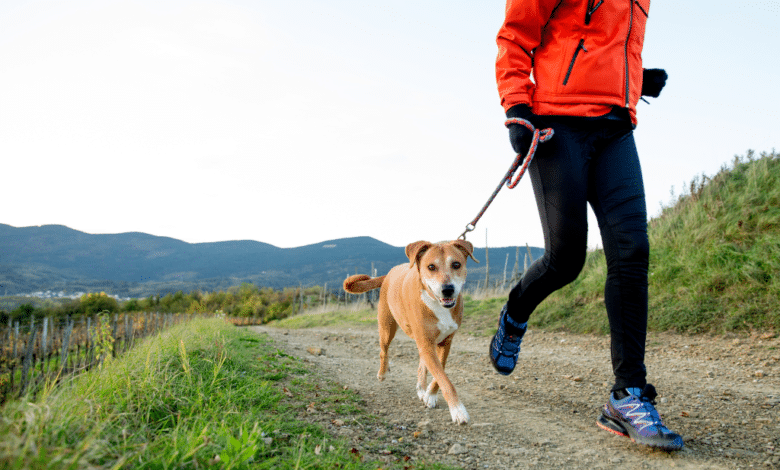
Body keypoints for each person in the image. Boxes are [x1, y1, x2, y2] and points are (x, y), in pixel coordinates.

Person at [488, 0, 683, 451]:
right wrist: (517, 103)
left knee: (632, 252)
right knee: (566, 259)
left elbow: (603, 37)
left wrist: (633, 78)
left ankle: (627, 395)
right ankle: (515, 313)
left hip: (616, 126)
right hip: (557, 121)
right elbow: (516, 34)